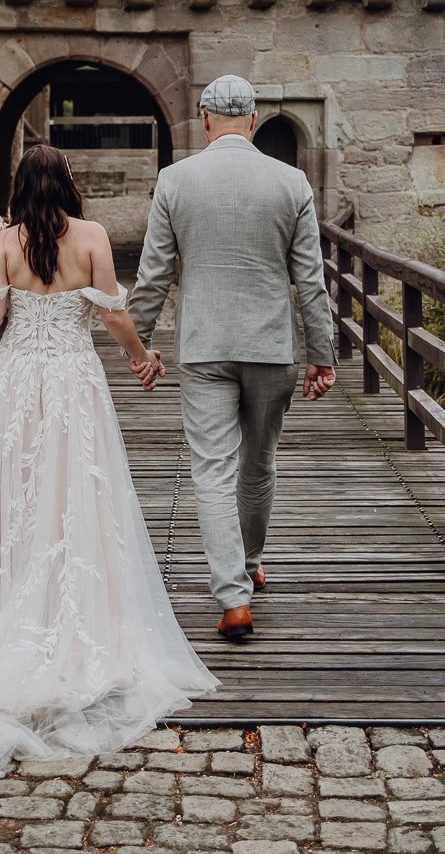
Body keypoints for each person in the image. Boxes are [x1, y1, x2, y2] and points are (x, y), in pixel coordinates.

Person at [0, 144, 216, 820]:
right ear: (70, 185)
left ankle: (8, 602)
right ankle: (74, 614)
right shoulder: (93, 237)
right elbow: (112, 314)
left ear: (19, 189)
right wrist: (142, 359)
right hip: (74, 381)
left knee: (13, 502)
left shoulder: (5, 242)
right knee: (76, 498)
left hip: (19, 383)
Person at [127, 74, 338, 643]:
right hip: (272, 347)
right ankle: (248, 563)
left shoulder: (175, 181)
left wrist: (139, 343)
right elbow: (309, 280)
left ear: (202, 122)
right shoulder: (291, 182)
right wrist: (322, 353)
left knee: (213, 469)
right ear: (251, 121)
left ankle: (233, 598)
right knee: (260, 462)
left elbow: (154, 275)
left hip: (204, 347)